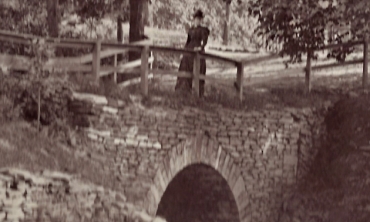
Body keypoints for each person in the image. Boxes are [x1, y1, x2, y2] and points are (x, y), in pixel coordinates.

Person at [175, 9, 210, 97]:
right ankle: (184, 91)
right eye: (196, 19)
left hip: (198, 51)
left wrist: (200, 47)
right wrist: (183, 51)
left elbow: (204, 42)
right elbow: (188, 41)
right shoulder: (191, 30)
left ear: (201, 20)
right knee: (185, 69)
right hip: (189, 51)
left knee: (198, 70)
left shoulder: (203, 30)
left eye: (199, 19)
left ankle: (198, 93)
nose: (198, 20)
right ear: (194, 19)